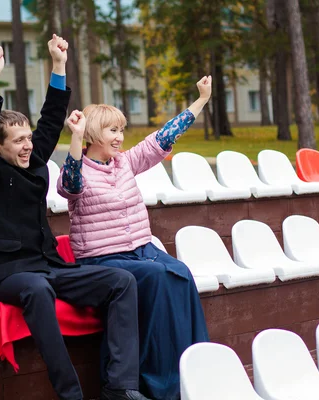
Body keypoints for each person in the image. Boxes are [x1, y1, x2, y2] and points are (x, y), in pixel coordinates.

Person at [0, 35, 151, 400]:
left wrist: (59, 65)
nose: (29, 145)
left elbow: (50, 122)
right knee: (37, 288)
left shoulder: (32, 164)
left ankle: (121, 388)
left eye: (28, 138)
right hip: (6, 273)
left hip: (47, 265)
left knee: (122, 282)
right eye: (18, 141)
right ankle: (71, 393)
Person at [56, 77, 213, 400]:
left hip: (141, 251)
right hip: (104, 258)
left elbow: (163, 137)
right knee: (157, 277)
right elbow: (69, 183)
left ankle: (195, 370)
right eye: (113, 130)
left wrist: (201, 100)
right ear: (95, 134)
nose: (120, 137)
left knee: (181, 274)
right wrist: (74, 137)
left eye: (121, 130)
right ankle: (155, 381)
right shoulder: (79, 172)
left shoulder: (125, 163)